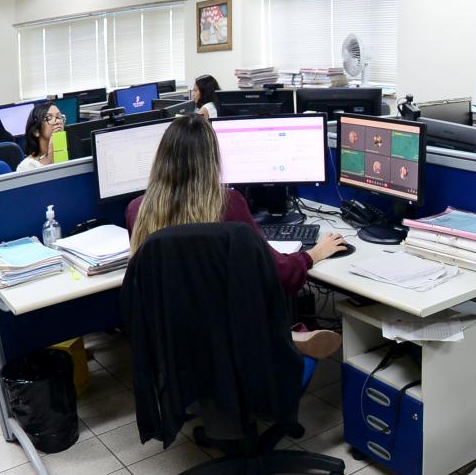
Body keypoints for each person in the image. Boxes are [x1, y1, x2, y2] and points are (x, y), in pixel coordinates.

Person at [126, 114, 346, 359]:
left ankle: (286, 336)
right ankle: (286, 337)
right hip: (231, 344)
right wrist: (313, 254)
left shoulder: (137, 210)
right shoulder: (228, 204)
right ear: (212, 159)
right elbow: (280, 274)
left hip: (170, 346)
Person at [16, 101, 65, 172]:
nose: (57, 121)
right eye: (49, 118)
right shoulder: (26, 167)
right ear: (36, 131)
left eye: (59, 116)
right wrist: (51, 162)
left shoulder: (73, 151)